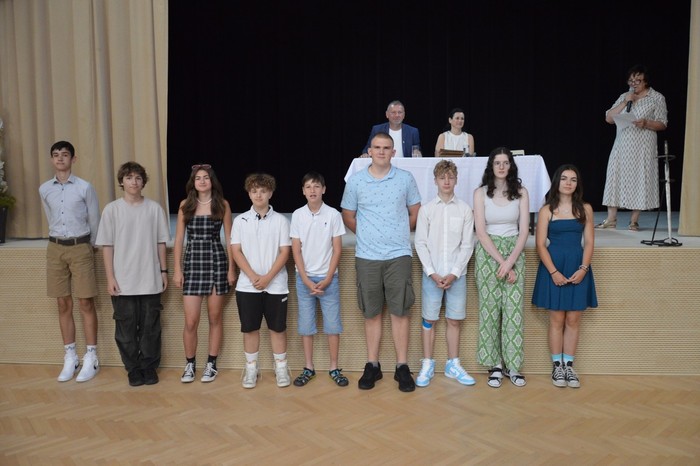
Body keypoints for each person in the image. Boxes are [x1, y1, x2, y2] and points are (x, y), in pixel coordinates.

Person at [342, 132, 422, 392]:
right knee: (372, 311)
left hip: (398, 254)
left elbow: (415, 212)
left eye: (386, 148)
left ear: (393, 152)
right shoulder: (356, 181)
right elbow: (348, 215)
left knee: (400, 311)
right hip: (367, 256)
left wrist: (398, 232)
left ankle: (402, 366)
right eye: (377, 147)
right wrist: (367, 234)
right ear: (370, 151)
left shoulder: (405, 178)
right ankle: (372, 365)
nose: (381, 151)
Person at [95, 162, 170, 387]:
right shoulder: (112, 210)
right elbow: (107, 246)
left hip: (150, 278)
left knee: (150, 328)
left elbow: (161, 242)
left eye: (138, 178)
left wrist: (163, 271)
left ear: (143, 182)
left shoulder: (154, 209)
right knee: (125, 330)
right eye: (129, 178)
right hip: (123, 281)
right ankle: (133, 368)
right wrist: (110, 277)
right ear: (122, 181)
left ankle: (149, 367)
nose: (134, 182)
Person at [39, 141, 101, 383]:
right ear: (51, 159)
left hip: (81, 246)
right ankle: (70, 356)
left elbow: (94, 220)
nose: (60, 158)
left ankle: (91, 356)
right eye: (56, 155)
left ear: (73, 159)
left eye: (65, 155)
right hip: (55, 248)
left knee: (86, 302)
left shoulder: (85, 187)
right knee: (63, 303)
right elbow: (50, 217)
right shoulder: (45, 189)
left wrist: (90, 246)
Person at [532, 164, 597, 388]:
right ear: (556, 182)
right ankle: (557, 366)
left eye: (573, 179)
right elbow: (540, 245)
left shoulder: (585, 209)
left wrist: (583, 268)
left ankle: (569, 366)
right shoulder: (546, 210)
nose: (568, 183)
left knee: (573, 319)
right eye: (564, 179)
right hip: (554, 267)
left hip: (578, 266)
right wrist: (553, 272)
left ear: (577, 184)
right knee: (557, 319)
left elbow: (589, 242)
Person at [414, 160, 476, 387]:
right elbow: (420, 243)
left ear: (456, 180)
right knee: (429, 319)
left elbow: (467, 245)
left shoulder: (465, 209)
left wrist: (454, 273)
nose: (446, 181)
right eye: (442, 178)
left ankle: (453, 364)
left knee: (454, 320)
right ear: (435, 181)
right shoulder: (427, 210)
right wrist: (432, 272)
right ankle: (427, 363)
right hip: (432, 274)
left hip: (456, 275)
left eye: (450, 177)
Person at [173, 164, 235, 384]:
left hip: (216, 261)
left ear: (212, 181)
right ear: (193, 182)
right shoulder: (185, 205)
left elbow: (230, 239)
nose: (202, 181)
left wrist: (231, 268)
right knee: (191, 321)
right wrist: (177, 269)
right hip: (193, 263)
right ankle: (190, 364)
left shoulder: (222, 204)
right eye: (198, 178)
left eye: (206, 177)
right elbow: (179, 239)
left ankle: (211, 363)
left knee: (215, 317)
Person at [473, 147, 529, 388]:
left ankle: (513, 365)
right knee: (490, 311)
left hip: (514, 252)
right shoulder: (480, 193)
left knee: (513, 311)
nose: (502, 167)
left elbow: (524, 231)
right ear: (491, 166)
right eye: (497, 162)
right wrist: (500, 261)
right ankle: (495, 364)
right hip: (488, 254)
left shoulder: (521, 192)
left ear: (511, 166)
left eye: (506, 162)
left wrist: (510, 262)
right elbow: (481, 232)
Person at [230, 173, 292, 389]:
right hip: (247, 286)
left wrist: (267, 278)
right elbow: (236, 251)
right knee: (250, 329)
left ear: (270, 193)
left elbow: (285, 252)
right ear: (249, 194)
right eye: (254, 191)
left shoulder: (281, 221)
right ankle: (251, 368)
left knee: (277, 328)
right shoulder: (240, 221)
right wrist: (253, 276)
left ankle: (281, 368)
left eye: (263, 191)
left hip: (276, 285)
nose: (259, 195)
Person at [290, 172, 348, 388]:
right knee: (306, 325)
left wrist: (328, 277)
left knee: (332, 325)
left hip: (328, 279)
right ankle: (309, 367)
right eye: (308, 187)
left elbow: (337, 249)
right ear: (303, 191)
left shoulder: (333, 214)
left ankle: (334, 367)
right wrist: (305, 279)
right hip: (304, 279)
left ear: (323, 189)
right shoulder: (297, 215)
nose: (312, 190)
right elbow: (296, 250)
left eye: (316, 186)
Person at [597, 64, 668, 231]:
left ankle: (634, 221)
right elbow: (609, 118)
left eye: (638, 81)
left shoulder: (657, 98)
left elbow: (662, 123)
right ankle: (611, 219)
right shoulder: (625, 96)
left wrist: (646, 123)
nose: (634, 84)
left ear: (646, 81)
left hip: (643, 147)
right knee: (614, 177)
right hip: (622, 146)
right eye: (631, 81)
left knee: (640, 179)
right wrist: (625, 102)